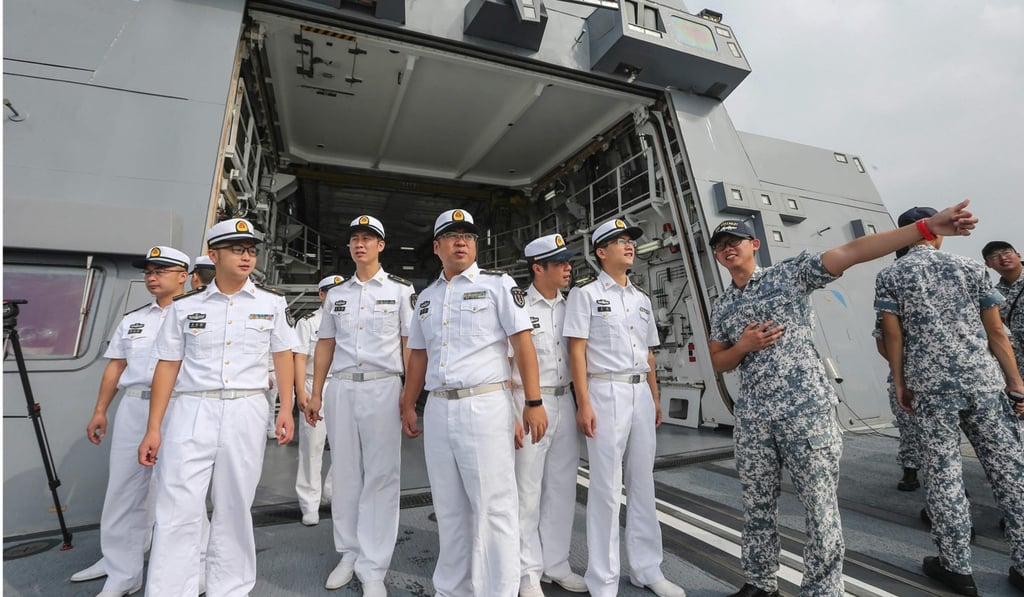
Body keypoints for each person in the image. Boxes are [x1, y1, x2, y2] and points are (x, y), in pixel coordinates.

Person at [707, 200, 977, 597]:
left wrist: (924, 228)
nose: (729, 248)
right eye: (721, 245)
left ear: (754, 245)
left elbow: (851, 252)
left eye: (737, 241)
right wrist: (745, 345)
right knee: (756, 505)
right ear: (717, 255)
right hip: (754, 418)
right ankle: (760, 583)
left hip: (806, 413)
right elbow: (719, 359)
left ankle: (823, 590)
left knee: (819, 508)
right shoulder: (723, 305)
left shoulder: (790, 275)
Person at [138, 218, 298, 596]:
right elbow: (168, 365)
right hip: (192, 409)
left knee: (234, 507)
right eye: (237, 249)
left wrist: (286, 409)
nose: (247, 257)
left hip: (246, 409)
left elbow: (283, 356)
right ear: (213, 255)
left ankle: (231, 589)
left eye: (251, 250)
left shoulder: (272, 303)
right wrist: (154, 427)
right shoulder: (183, 307)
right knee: (177, 509)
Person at [876, 207, 1024, 596]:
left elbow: (892, 337)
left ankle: (956, 566)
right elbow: (996, 331)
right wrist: (1016, 384)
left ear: (908, 234)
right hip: (984, 383)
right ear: (937, 233)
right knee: (1010, 472)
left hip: (930, 388)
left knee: (944, 475)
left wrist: (901, 381)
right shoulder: (971, 268)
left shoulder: (892, 274)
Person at [400, 208, 548, 597]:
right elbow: (417, 355)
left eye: (467, 235)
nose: (461, 240)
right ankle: (453, 589)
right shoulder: (426, 299)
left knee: (494, 507)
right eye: (451, 235)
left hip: (484, 405)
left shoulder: (499, 286)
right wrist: (407, 403)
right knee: (449, 508)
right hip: (438, 407)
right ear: (437, 247)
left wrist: (532, 402)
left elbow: (522, 344)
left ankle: (499, 590)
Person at [563, 218, 685, 597]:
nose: (629, 245)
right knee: (605, 487)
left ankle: (647, 569)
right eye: (619, 241)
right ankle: (603, 580)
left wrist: (655, 396)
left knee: (643, 483)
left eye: (630, 240)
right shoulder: (584, 294)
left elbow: (648, 352)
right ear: (601, 252)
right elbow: (577, 352)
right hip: (605, 392)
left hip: (639, 396)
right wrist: (583, 404)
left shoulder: (642, 299)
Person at [72, 247, 190, 597]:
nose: (152, 277)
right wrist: (100, 409)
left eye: (161, 271)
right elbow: (115, 367)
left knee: (182, 491)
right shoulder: (133, 319)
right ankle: (119, 568)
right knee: (123, 489)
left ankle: (188, 567)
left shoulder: (198, 315)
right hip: (135, 407)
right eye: (149, 271)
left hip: (180, 408)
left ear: (183, 275)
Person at [305, 215, 413, 595]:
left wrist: (409, 397)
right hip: (342, 388)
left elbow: (409, 345)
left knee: (382, 477)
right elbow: (325, 346)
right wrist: (316, 392)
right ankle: (349, 552)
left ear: (381, 246)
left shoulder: (401, 291)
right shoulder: (337, 294)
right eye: (355, 239)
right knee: (347, 474)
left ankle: (374, 567)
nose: (360, 244)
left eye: (368, 238)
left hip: (384, 387)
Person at [514, 234, 587, 597]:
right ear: (537, 268)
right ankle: (527, 572)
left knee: (561, 488)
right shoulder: (518, 308)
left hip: (564, 400)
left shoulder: (574, 304)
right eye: (560, 263)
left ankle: (555, 564)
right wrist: (519, 410)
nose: (568, 268)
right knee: (526, 491)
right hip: (529, 403)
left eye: (568, 262)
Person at [293, 275, 343, 526]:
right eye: (330, 292)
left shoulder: (350, 319)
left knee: (345, 446)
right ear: (321, 295)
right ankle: (309, 503)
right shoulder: (309, 323)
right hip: (315, 384)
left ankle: (334, 493)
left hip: (343, 384)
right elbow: (299, 358)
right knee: (312, 447)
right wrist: (301, 391)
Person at [873, 249, 924, 492]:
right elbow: (883, 340)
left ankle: (949, 479)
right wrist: (899, 368)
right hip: (903, 374)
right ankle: (910, 471)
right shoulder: (890, 303)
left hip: (931, 374)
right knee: (907, 426)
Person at [983, 240, 1024, 379]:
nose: (1003, 258)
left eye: (1007, 252)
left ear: (1018, 255)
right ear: (988, 264)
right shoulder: (994, 295)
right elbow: (993, 328)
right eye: (994, 256)